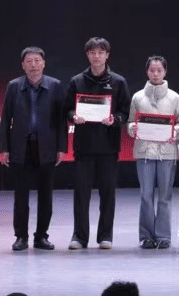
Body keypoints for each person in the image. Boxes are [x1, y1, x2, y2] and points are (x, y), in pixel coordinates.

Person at [0, 46, 67, 251]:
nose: (33, 65)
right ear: (23, 65)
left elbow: (61, 120)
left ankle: (41, 236)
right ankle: (21, 237)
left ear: (44, 63)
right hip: (21, 147)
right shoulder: (14, 86)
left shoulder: (55, 86)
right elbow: (5, 119)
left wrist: (61, 147)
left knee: (46, 195)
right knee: (21, 196)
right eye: (29, 61)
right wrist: (4, 148)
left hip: (47, 147)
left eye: (37, 61)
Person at [65, 37, 131, 250]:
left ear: (107, 55)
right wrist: (74, 116)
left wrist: (115, 119)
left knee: (107, 194)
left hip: (108, 146)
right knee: (81, 194)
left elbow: (125, 112)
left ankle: (105, 235)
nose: (96, 56)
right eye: (92, 52)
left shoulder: (118, 82)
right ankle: (79, 236)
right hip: (83, 146)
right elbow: (67, 109)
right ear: (87, 55)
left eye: (101, 52)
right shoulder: (76, 81)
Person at [126, 56, 179, 249]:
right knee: (145, 196)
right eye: (152, 70)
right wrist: (133, 129)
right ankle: (146, 236)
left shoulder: (174, 98)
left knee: (164, 196)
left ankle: (163, 236)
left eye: (159, 70)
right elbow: (130, 122)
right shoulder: (138, 97)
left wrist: (174, 133)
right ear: (147, 72)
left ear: (165, 72)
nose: (155, 74)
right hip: (144, 152)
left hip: (167, 153)